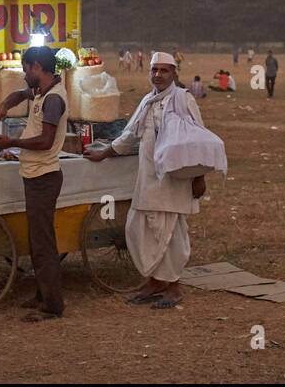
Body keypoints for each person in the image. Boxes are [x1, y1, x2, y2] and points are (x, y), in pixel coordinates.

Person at [83, 51, 209, 310]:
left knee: (172, 234)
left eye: (164, 70)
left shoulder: (183, 100)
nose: (158, 75)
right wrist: (103, 153)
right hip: (149, 179)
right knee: (138, 228)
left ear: (174, 74)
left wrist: (199, 178)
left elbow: (198, 140)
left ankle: (173, 288)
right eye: (154, 70)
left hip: (175, 180)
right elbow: (129, 135)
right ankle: (154, 282)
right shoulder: (147, 101)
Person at [0, 45, 71, 322]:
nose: (25, 75)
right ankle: (42, 295)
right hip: (35, 174)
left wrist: (12, 142)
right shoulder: (41, 91)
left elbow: (46, 141)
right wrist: (4, 106)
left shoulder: (53, 100)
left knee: (43, 244)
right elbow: (19, 94)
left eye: (26, 69)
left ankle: (52, 306)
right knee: (37, 241)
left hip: (44, 178)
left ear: (37, 67)